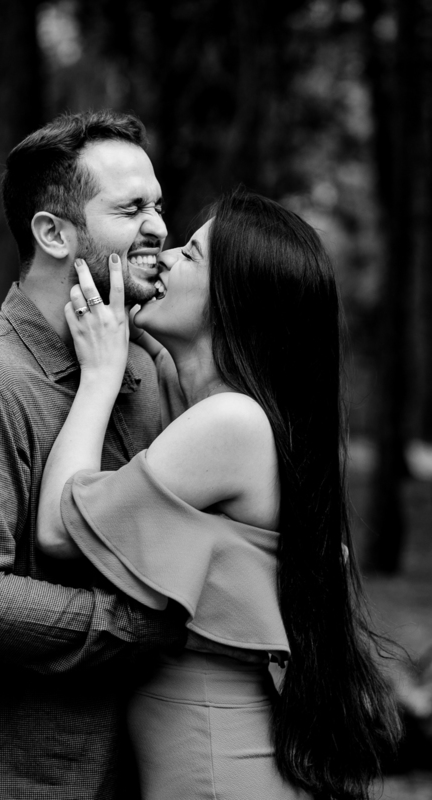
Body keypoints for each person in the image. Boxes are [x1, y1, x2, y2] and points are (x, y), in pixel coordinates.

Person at [35, 191, 402, 800]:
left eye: (192, 255)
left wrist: (99, 376)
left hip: (218, 770)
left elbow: (56, 529)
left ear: (235, 300)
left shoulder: (230, 422)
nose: (165, 255)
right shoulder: (218, 410)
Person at [0, 109, 188, 800]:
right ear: (53, 234)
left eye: (158, 205)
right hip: (16, 775)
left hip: (141, 767)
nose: (158, 227)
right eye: (131, 209)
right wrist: (144, 623)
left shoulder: (147, 368)